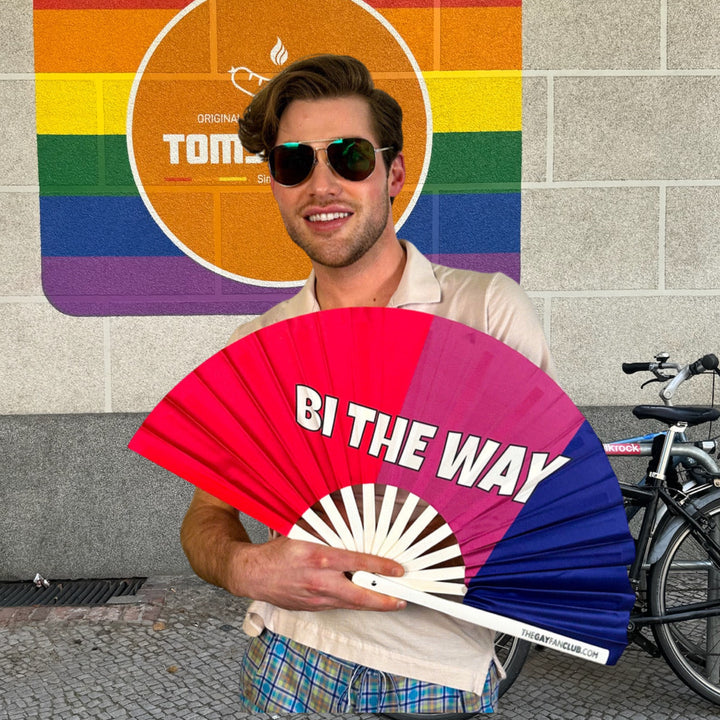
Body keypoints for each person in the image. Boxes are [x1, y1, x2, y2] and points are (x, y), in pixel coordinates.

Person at [180, 54, 556, 716]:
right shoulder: (257, 347)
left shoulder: (486, 313)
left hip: (435, 675)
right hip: (289, 666)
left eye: (349, 156)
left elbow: (548, 511)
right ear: (274, 183)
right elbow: (207, 516)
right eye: (294, 162)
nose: (320, 184)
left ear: (394, 173)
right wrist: (243, 567)